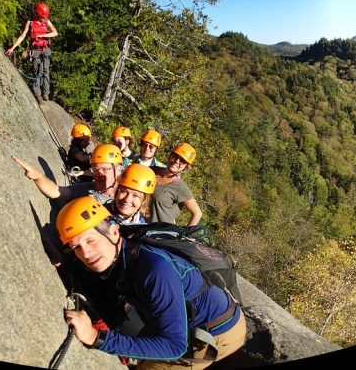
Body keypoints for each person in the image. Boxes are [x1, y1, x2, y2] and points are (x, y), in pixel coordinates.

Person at [58, 196, 245, 369]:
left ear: (115, 233)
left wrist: (95, 337)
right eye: (76, 247)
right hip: (188, 314)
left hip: (217, 331)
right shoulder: (125, 248)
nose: (86, 253)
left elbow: (175, 346)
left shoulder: (154, 271)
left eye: (91, 241)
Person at [14, 143, 123, 205]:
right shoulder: (88, 188)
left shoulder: (127, 195)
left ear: (118, 170)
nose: (99, 174)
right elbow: (56, 191)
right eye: (95, 169)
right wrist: (37, 175)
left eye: (106, 169)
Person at [5, 2, 58, 102]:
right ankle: (38, 95)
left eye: (45, 17)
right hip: (35, 50)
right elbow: (22, 36)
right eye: (42, 17)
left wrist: (43, 36)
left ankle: (46, 93)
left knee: (46, 71)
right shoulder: (30, 22)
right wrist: (12, 48)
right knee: (36, 71)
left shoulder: (46, 21)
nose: (44, 19)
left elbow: (55, 33)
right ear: (37, 14)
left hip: (45, 49)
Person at [151, 143, 202, 226]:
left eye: (182, 160)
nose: (176, 161)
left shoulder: (180, 187)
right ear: (170, 156)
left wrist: (186, 235)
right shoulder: (152, 170)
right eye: (175, 156)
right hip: (139, 226)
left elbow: (197, 213)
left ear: (185, 166)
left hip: (160, 234)